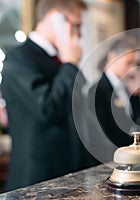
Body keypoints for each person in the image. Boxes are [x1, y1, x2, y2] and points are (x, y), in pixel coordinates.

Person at [0, 0, 98, 191]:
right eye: (76, 25)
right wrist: (70, 63)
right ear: (56, 19)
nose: (80, 33)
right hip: (39, 178)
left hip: (72, 172)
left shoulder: (60, 60)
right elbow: (47, 108)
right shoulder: (18, 59)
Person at [92, 37, 140, 148]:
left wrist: (136, 96)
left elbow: (139, 123)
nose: (133, 69)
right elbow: (103, 134)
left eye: (135, 64)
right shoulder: (97, 90)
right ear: (112, 57)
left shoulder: (126, 88)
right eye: (129, 63)